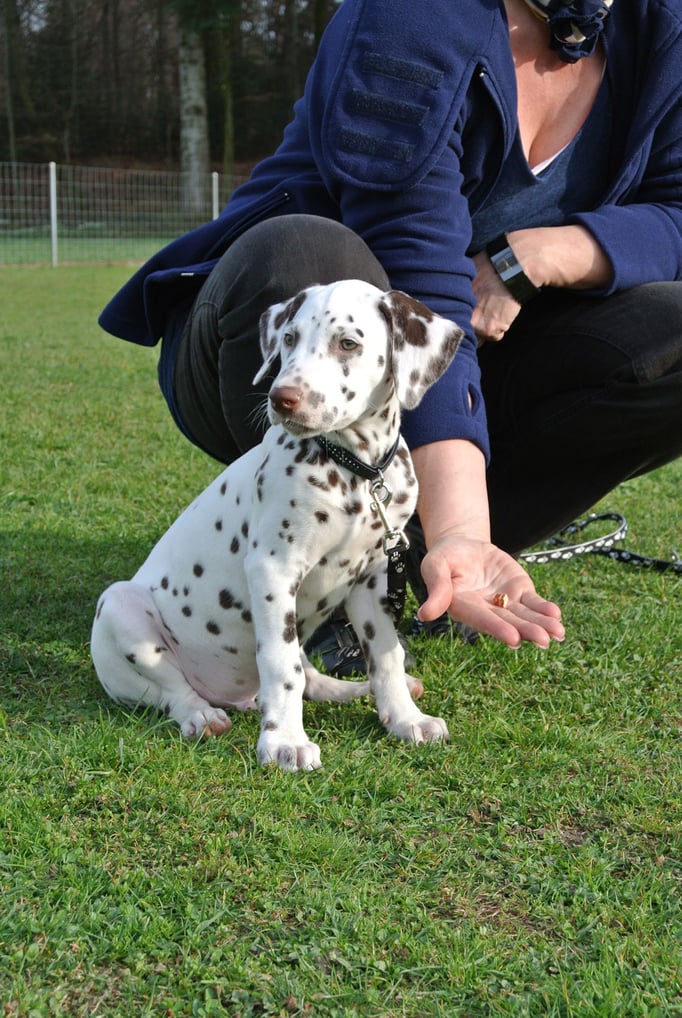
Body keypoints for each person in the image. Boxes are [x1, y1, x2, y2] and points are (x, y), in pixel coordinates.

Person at [99, 0, 682, 671]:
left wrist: (537, 255)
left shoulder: (663, 27)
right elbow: (417, 270)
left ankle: (419, 560)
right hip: (275, 329)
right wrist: (461, 520)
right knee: (307, 255)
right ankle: (329, 566)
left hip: (487, 346)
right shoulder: (409, 15)